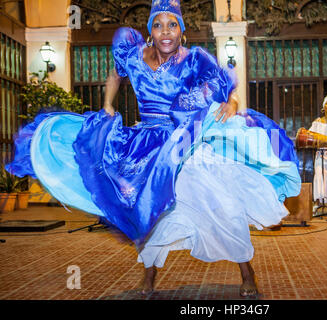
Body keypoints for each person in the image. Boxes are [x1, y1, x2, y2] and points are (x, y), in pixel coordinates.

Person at [5, 0, 301, 297]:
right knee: (149, 210)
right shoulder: (133, 56)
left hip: (184, 141)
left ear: (182, 30)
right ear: (150, 31)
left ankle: (247, 271)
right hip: (147, 143)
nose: (165, 32)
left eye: (172, 24)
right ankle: (148, 278)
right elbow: (115, 74)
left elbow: (225, 87)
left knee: (220, 204)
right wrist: (108, 104)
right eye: (158, 25)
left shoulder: (194, 59)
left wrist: (230, 102)